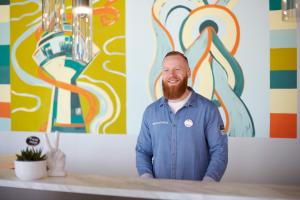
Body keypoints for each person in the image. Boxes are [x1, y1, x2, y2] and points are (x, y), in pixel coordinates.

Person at [135, 51, 228, 181]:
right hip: (159, 193)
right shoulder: (151, 112)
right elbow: (142, 151)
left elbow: (219, 151)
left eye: (177, 69)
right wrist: (147, 180)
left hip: (197, 194)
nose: (171, 75)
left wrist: (208, 183)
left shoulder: (208, 110)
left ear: (188, 72)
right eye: (166, 70)